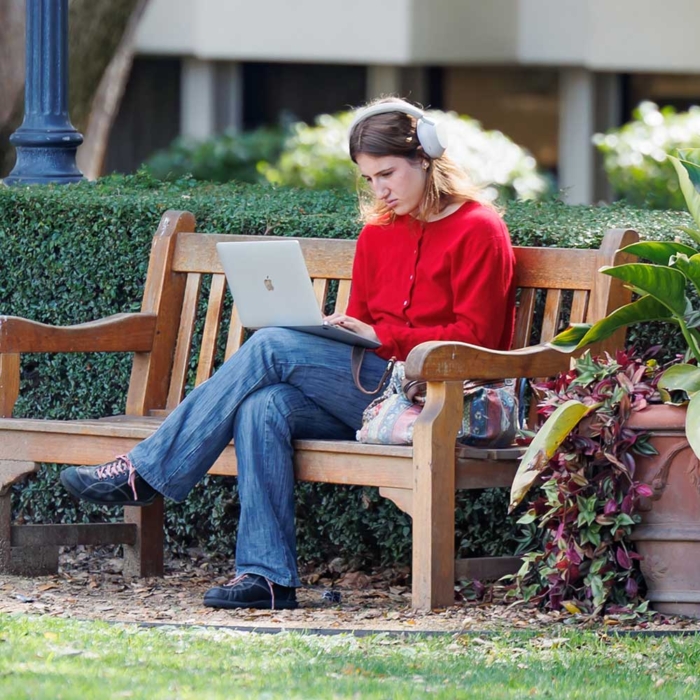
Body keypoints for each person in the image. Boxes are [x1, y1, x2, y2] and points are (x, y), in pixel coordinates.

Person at [60, 97, 517, 611]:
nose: (380, 190)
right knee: (265, 405)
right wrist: (341, 330)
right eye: (369, 179)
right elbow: (366, 323)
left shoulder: (479, 228)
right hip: (370, 396)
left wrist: (382, 335)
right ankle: (268, 577)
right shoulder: (378, 232)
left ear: (426, 158)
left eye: (387, 173)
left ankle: (146, 471)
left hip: (437, 398)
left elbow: (477, 342)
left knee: (273, 345)